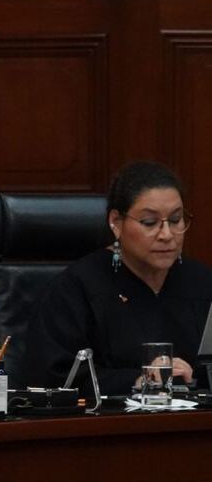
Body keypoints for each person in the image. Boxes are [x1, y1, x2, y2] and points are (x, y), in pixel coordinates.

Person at [23, 161, 212, 395]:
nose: (166, 234)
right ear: (116, 222)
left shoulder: (202, 283)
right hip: (108, 416)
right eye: (149, 222)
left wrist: (197, 379)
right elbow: (53, 378)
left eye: (175, 220)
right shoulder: (75, 288)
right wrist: (139, 380)